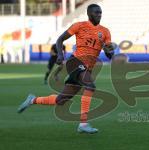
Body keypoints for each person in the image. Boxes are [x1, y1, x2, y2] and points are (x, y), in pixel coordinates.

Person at [18, 4, 115, 134]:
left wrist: (109, 51)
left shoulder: (105, 32)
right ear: (89, 14)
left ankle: (32, 100)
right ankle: (83, 124)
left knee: (61, 100)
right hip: (75, 62)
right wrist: (59, 54)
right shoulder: (79, 26)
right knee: (90, 86)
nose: (99, 15)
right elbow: (60, 40)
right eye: (96, 13)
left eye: (100, 13)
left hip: (87, 68)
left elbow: (110, 55)